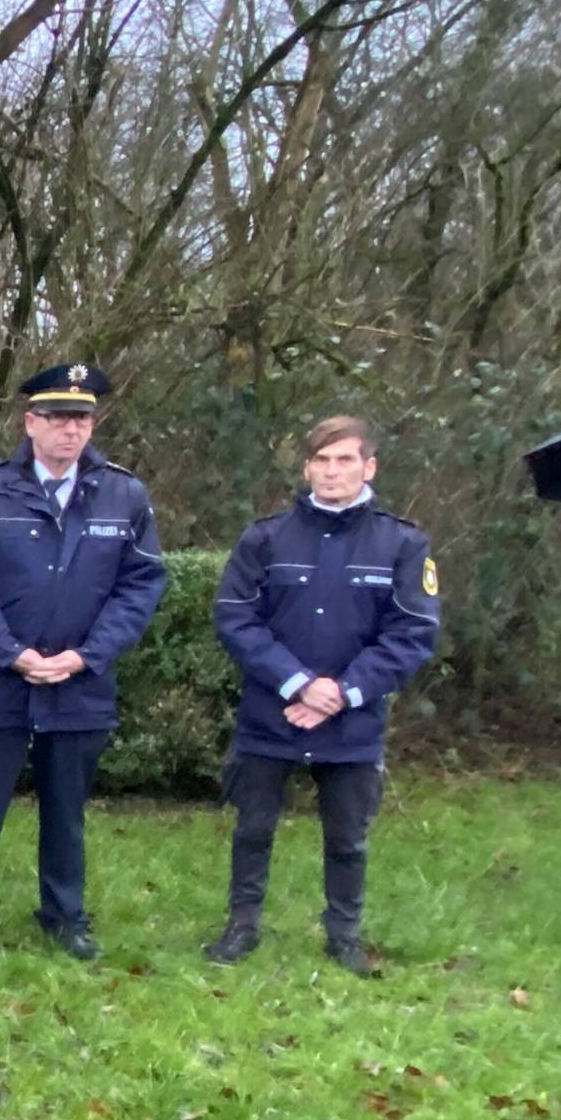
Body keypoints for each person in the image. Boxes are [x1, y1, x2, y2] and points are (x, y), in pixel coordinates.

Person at [0, 363, 166, 961]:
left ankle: (64, 915)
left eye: (82, 418)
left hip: (79, 686)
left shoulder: (125, 494)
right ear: (29, 422)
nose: (70, 430)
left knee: (66, 811)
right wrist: (12, 654)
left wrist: (87, 656)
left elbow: (140, 585)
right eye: (57, 417)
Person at [206, 416, 438, 976]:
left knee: (348, 839)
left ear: (369, 467)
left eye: (345, 461)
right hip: (272, 712)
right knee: (253, 828)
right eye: (322, 461)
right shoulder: (265, 538)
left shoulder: (402, 543)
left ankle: (343, 934)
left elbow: (413, 633)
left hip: (351, 723)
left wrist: (344, 691)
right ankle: (241, 926)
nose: (332, 472)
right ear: (306, 467)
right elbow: (235, 618)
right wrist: (298, 682)